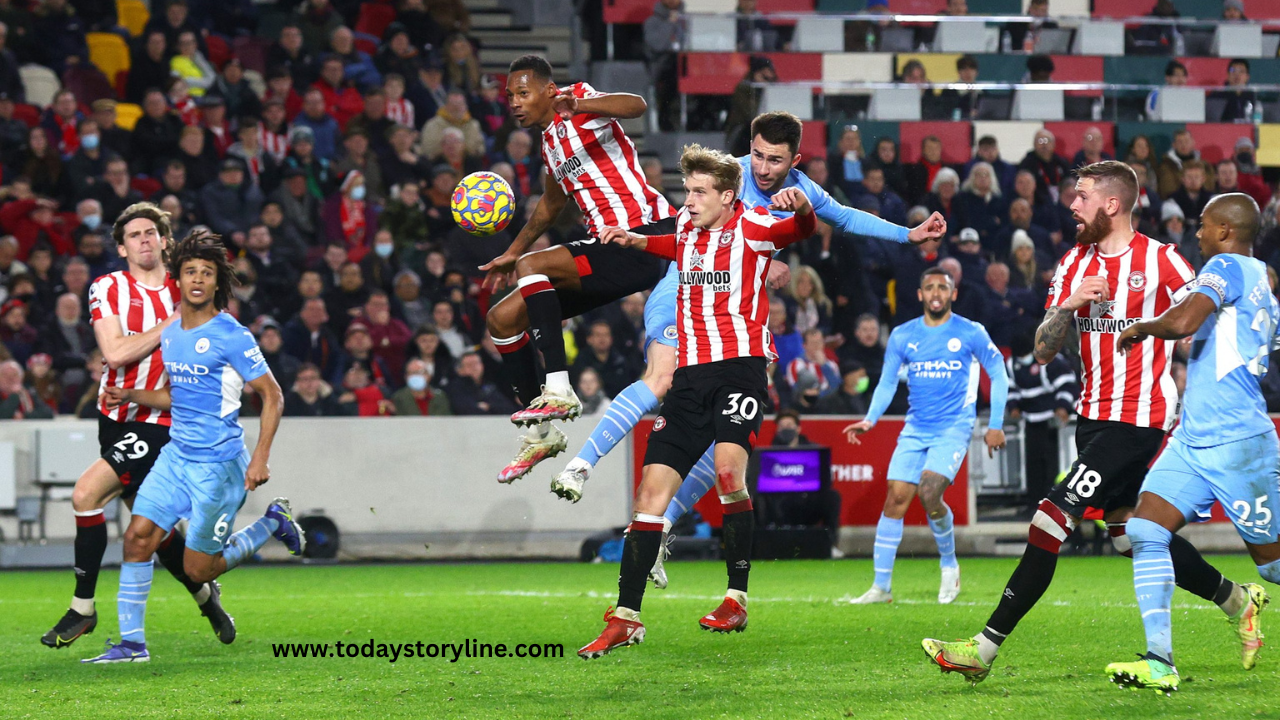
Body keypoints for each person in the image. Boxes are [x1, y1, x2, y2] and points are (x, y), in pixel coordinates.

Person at [923, 161, 1251, 686]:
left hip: (1139, 421)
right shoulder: (1073, 263)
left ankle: (981, 650)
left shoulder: (1162, 260)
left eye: (1081, 197)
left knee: (1050, 519)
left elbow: (1203, 319)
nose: (1072, 206)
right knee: (1130, 536)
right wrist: (1070, 305)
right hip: (1093, 419)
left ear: (1112, 204)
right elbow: (1042, 349)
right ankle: (1236, 599)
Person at [550, 112, 945, 514]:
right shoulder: (725, 175)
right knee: (662, 376)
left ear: (795, 159)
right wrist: (758, 259)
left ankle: (663, 527)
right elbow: (686, 232)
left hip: (734, 317)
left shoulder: (802, 191)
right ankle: (581, 465)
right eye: (757, 155)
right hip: (686, 290)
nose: (762, 168)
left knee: (726, 432)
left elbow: (844, 216)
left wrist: (907, 234)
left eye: (775, 160)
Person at [578, 144, 817, 659]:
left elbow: (798, 233)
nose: (688, 201)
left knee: (730, 471)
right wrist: (634, 240)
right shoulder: (686, 232)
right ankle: (626, 616)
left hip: (741, 370)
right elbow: (672, 248)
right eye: (686, 191)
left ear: (727, 196)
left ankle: (736, 597)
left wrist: (802, 210)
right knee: (649, 496)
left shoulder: (754, 228)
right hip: (689, 377)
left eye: (699, 192)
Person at [82, 230, 305, 664]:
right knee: (137, 538)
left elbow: (273, 395)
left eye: (206, 273)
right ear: (178, 280)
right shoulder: (172, 334)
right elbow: (179, 397)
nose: (197, 279)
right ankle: (132, 645)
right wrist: (133, 397)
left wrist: (259, 458)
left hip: (218, 468)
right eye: (190, 272)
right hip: (175, 457)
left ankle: (269, 525)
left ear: (217, 282)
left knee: (197, 569)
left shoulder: (232, 335)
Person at [40, 203, 234, 650]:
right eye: (134, 235)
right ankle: (206, 597)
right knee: (152, 531)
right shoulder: (107, 287)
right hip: (116, 416)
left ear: (165, 240)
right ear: (122, 246)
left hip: (165, 419)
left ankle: (82, 610)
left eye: (151, 232)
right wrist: (174, 322)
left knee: (86, 494)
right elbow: (115, 354)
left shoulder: (187, 288)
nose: (144, 240)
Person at [1107, 193, 1276, 691]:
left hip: (1237, 442)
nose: (1197, 233)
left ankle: (1241, 605)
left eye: (1204, 225)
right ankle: (1160, 661)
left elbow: (1182, 321)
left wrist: (1140, 327)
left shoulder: (1227, 264)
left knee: (1275, 568)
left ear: (1226, 230)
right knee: (1143, 530)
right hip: (1193, 440)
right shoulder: (1263, 282)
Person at [479, 55, 674, 482]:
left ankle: (559, 387)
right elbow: (551, 203)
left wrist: (580, 106)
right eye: (510, 94)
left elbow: (636, 104)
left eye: (522, 92)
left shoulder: (580, 99)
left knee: (536, 266)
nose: (514, 101)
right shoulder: (549, 141)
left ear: (549, 91)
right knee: (502, 318)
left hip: (644, 233)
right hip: (609, 249)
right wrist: (513, 251)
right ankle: (541, 431)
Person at [845, 267, 1007, 605]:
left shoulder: (970, 332)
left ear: (953, 294)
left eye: (942, 288)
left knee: (930, 492)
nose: (936, 293)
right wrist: (870, 419)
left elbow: (998, 372)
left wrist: (995, 424)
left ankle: (949, 567)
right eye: (929, 287)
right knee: (896, 499)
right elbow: (888, 382)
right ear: (920, 294)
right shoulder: (904, 335)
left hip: (953, 427)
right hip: (916, 428)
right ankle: (881, 588)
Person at [1005, 331, 1076, 517]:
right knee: (1032, 464)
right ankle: (1033, 505)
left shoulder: (1050, 360)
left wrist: (1063, 406)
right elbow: (1011, 389)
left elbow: (1068, 384)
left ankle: (1051, 506)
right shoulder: (1012, 365)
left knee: (1051, 465)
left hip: (1052, 420)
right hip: (1030, 420)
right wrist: (1013, 406)